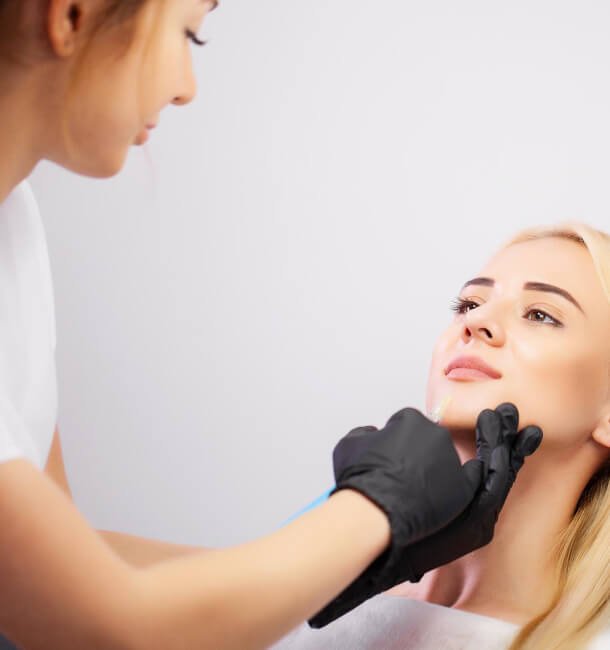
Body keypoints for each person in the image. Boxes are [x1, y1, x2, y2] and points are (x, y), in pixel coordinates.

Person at [0, 1, 542, 648]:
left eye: (542, 314)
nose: (186, 87)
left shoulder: (15, 227)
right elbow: (107, 626)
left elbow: (68, 567)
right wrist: (373, 509)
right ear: (72, 14)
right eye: (188, 34)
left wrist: (353, 558)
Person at [271, 222, 610, 650]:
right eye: (468, 304)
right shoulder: (314, 569)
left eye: (539, 314)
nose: (477, 321)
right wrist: (346, 531)